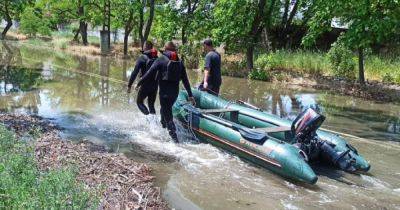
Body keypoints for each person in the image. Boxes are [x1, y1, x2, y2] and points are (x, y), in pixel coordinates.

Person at [136, 41, 195, 142]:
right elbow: (185, 80)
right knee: (164, 111)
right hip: (174, 94)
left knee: (168, 116)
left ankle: (175, 142)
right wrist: (190, 95)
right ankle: (162, 131)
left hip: (164, 94)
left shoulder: (161, 60)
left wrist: (139, 83)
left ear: (165, 49)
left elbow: (149, 74)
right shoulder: (179, 62)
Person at [127, 41, 158, 115]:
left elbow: (135, 72)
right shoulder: (157, 58)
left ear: (145, 47)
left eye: (143, 46)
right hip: (155, 85)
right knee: (151, 105)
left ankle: (148, 118)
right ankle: (154, 123)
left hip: (144, 85)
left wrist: (129, 86)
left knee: (139, 102)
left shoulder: (142, 57)